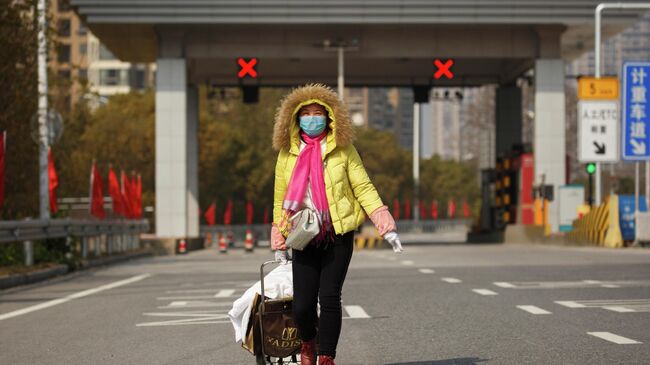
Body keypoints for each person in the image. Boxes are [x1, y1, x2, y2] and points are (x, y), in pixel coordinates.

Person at [270, 84, 403, 365]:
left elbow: (363, 187)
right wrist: (279, 238)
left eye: (319, 113)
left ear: (330, 118)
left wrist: (385, 225)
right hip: (302, 235)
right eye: (306, 114)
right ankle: (308, 342)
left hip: (338, 233)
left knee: (330, 296)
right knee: (303, 304)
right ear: (295, 119)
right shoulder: (287, 154)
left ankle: (326, 357)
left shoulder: (344, 150)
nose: (312, 118)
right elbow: (281, 199)